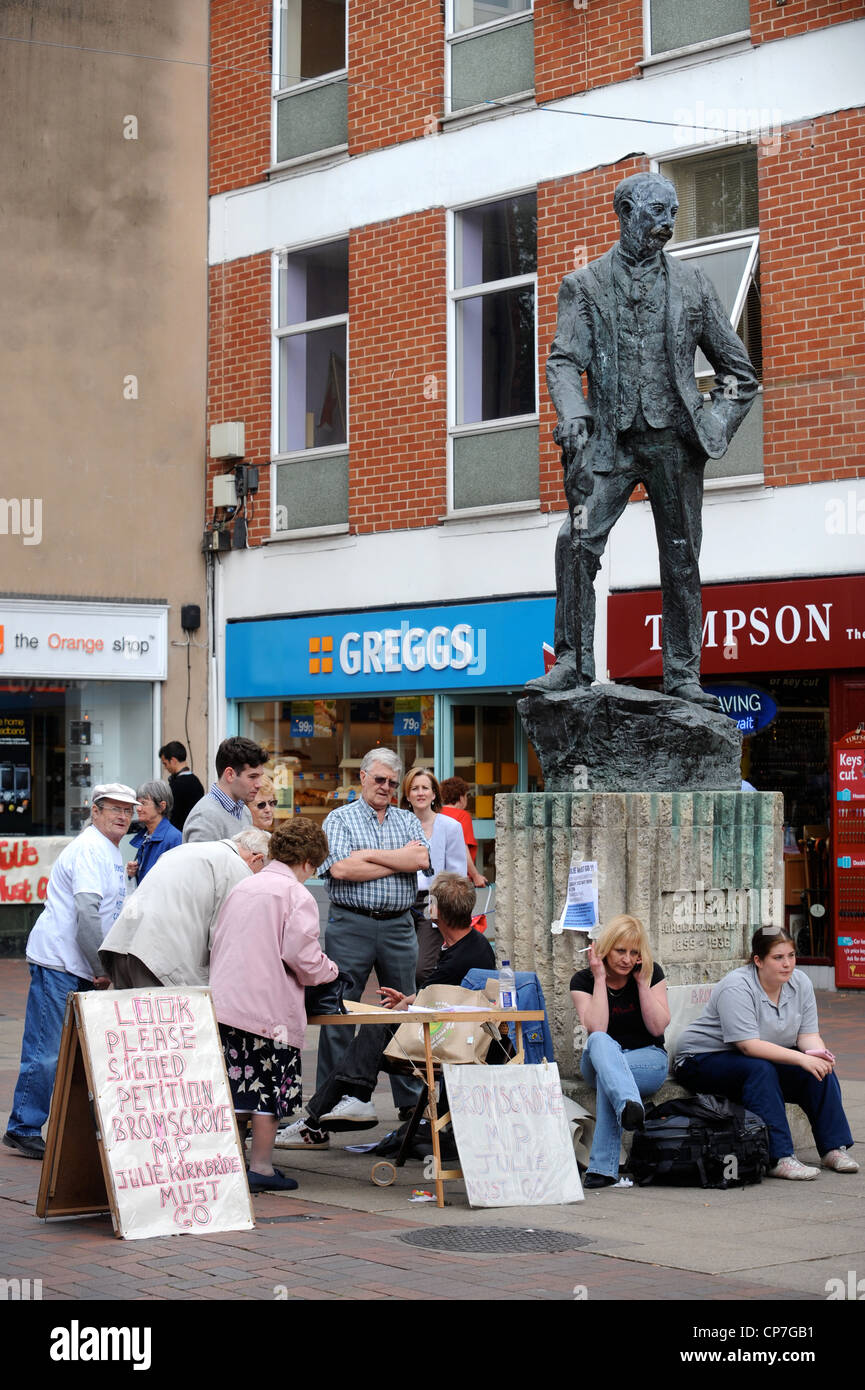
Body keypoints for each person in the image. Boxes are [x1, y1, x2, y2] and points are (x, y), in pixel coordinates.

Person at [529, 171, 758, 707]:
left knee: (681, 558)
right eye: (658, 213)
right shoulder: (584, 285)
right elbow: (563, 361)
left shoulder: (694, 285)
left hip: (675, 444)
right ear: (626, 211)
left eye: (674, 213)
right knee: (575, 541)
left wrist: (714, 424)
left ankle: (682, 675)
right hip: (608, 446)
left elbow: (739, 373)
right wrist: (576, 415)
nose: (668, 224)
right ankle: (573, 662)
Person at [277, 873, 495, 1150]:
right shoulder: (468, 944)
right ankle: (333, 1112)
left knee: (377, 1026)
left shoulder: (465, 952)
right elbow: (438, 993)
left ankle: (334, 1111)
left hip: (448, 1038)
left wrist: (408, 1004)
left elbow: (436, 997)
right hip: (443, 1027)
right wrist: (408, 1000)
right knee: (374, 1031)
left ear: (437, 911)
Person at [3, 783, 137, 1159]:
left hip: (75, 961)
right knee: (46, 1049)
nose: (122, 817)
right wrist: (102, 969)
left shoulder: (108, 849)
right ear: (94, 811)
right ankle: (23, 1127)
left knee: (73, 1053)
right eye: (113, 809)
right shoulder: (91, 849)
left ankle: (63, 1128)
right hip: (61, 960)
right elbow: (87, 915)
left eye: (127, 811)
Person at [209, 819, 338, 1192]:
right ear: (309, 862)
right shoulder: (296, 895)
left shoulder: (245, 886)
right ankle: (261, 1168)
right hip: (267, 1010)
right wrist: (330, 970)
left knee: (236, 1085)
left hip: (227, 1002)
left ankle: (229, 1161)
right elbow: (302, 956)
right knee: (267, 1090)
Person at [674, 927, 858, 1180]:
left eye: (791, 956)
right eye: (778, 957)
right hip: (701, 1059)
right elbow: (748, 1046)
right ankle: (779, 1157)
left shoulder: (800, 982)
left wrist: (817, 1054)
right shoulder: (737, 986)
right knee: (761, 1069)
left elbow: (807, 1036)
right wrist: (801, 1058)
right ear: (758, 961)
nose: (787, 964)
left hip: (755, 1058)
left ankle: (832, 1149)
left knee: (819, 1071)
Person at [314, 747, 431, 1119]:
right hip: (351, 924)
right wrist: (396, 859)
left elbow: (421, 860)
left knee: (404, 1012)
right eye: (379, 779)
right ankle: (330, 1103)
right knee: (339, 1012)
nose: (385, 787)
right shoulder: (339, 818)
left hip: (399, 925)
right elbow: (342, 870)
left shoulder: (408, 820)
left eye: (393, 783)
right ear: (362, 776)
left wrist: (368, 854)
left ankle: (410, 1105)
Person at [99, 827, 270, 989]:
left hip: (122, 946)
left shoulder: (189, 850)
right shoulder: (237, 867)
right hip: (160, 959)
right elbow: (225, 942)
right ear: (256, 858)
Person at [570, 914, 670, 1189]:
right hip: (599, 1060)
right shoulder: (583, 980)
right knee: (600, 1041)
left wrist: (642, 984)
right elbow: (596, 1027)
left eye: (634, 952)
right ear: (606, 948)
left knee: (609, 1078)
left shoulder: (652, 973)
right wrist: (600, 978)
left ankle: (602, 1168)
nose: (627, 959)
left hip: (648, 1059)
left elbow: (657, 1026)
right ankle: (629, 1103)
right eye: (620, 950)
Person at [401, 766, 471, 987]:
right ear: (407, 795)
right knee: (399, 968)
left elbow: (457, 873)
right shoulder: (397, 825)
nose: (420, 793)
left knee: (423, 969)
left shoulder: (450, 826)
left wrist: (446, 909)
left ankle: (423, 1010)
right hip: (399, 903)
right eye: (414, 788)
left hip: (432, 903)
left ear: (434, 794)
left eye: (425, 788)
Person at [182, 736, 268, 843]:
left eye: (260, 776)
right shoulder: (205, 817)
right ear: (230, 774)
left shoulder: (244, 811)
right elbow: (201, 860)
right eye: (252, 777)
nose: (259, 784)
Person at [126, 779, 182, 886]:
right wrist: (132, 873)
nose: (138, 808)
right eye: (138, 803)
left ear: (162, 806)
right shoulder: (146, 836)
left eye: (143, 803)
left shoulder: (174, 838)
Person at [439, 776, 487, 889]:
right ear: (461, 798)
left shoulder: (436, 813)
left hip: (439, 877)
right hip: (457, 879)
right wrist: (476, 876)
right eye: (466, 796)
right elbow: (462, 849)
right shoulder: (462, 815)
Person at [158, 741, 205, 833]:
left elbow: (169, 815)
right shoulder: (196, 782)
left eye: (165, 764)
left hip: (178, 836)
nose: (165, 768)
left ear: (173, 761)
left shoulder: (175, 786)